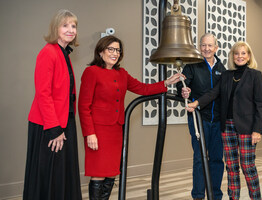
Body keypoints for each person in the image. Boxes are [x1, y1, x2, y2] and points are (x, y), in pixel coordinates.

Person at [78, 35, 184, 200]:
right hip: (97, 131)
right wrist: (89, 133)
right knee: (98, 173)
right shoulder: (91, 72)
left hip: (116, 130)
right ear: (100, 51)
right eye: (110, 49)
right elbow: (83, 106)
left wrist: (166, 83)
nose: (115, 53)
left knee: (112, 173)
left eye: (118, 50)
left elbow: (143, 88)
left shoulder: (122, 74)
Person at [185, 41, 262, 200]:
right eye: (236, 53)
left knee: (248, 167)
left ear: (248, 56)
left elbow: (260, 105)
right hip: (227, 127)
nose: (239, 56)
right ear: (232, 56)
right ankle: (233, 197)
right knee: (232, 167)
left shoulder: (255, 75)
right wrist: (196, 103)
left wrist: (257, 130)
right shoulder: (227, 75)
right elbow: (213, 93)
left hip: (247, 128)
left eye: (243, 53)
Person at [23, 9, 82, 200]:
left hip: (65, 121)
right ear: (55, 28)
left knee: (61, 174)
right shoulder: (48, 52)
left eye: (73, 26)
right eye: (65, 25)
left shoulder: (63, 53)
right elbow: (43, 94)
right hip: (49, 125)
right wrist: (54, 129)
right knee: (50, 176)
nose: (70, 30)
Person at [176, 33, 226, 200]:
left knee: (217, 159)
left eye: (210, 45)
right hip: (199, 119)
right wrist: (183, 90)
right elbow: (182, 86)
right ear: (199, 47)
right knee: (200, 158)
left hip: (218, 121)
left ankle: (215, 195)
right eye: (203, 45)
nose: (206, 48)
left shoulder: (221, 68)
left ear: (216, 48)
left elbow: (221, 94)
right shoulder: (192, 65)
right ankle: (198, 196)